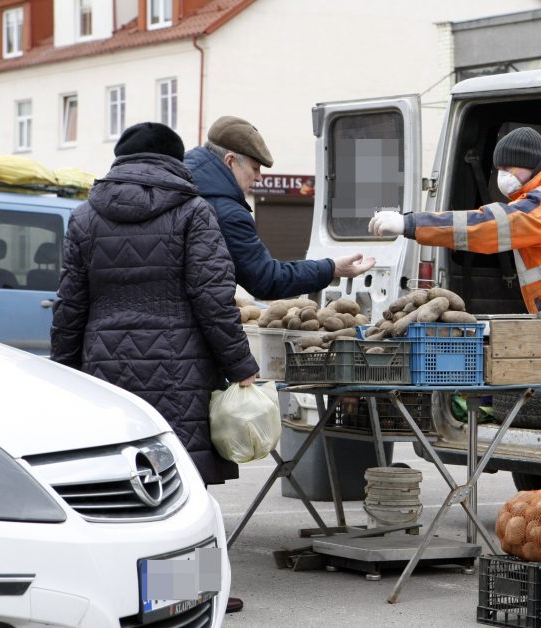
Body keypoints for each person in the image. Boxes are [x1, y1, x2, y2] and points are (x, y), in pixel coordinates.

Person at [50, 122, 256, 614]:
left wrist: (61, 373)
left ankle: (124, 593)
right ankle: (183, 596)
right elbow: (213, 299)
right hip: (179, 367)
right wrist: (240, 365)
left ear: (121, 160)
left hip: (104, 369)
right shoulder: (192, 211)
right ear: (174, 161)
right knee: (183, 484)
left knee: (115, 483)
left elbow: (69, 305)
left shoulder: (85, 217)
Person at [369, 126, 541, 485]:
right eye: (500, 169)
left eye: (511, 169)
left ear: (532, 166)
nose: (503, 177)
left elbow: (482, 227)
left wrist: (409, 223)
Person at [184, 116, 374, 300]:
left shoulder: (178, 188)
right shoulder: (226, 213)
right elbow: (267, 280)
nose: (259, 178)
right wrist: (331, 268)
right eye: (255, 168)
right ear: (230, 161)